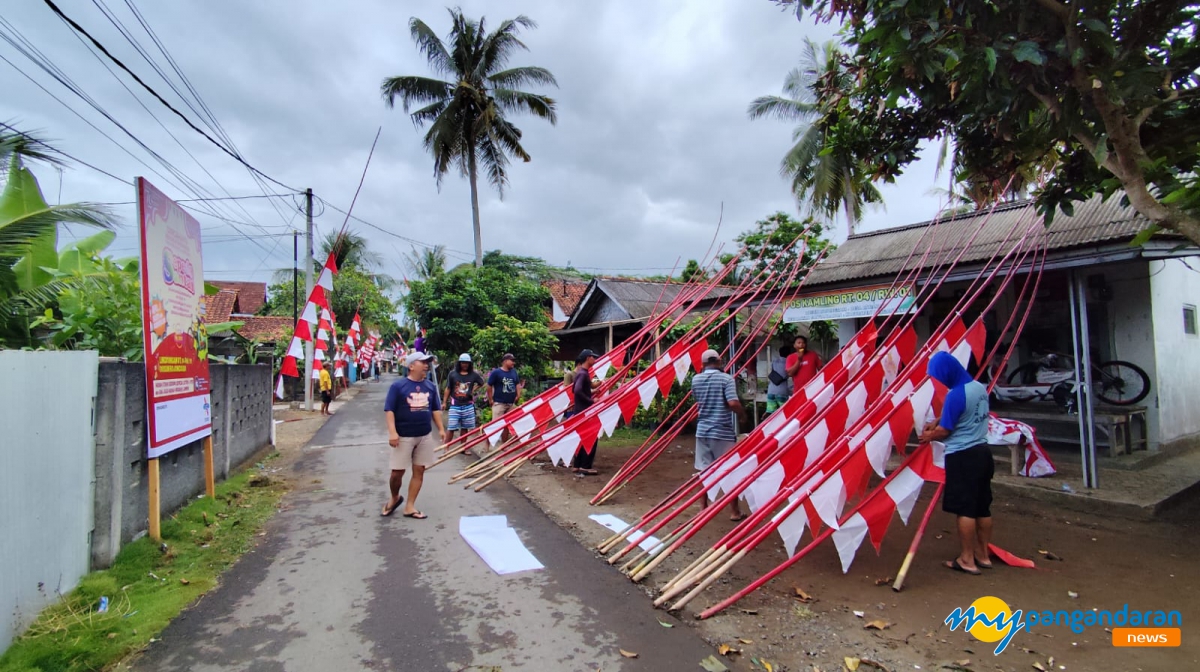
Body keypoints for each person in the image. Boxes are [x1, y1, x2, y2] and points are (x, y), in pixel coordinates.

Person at [918, 352, 993, 575]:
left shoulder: (955, 395)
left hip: (963, 456)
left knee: (966, 509)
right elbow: (959, 414)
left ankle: (967, 559)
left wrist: (928, 436)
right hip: (983, 453)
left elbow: (945, 431)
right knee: (983, 507)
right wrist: (939, 419)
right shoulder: (978, 387)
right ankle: (983, 555)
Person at [382, 351, 447, 519]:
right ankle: (395, 496)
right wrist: (392, 432)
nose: (426, 365)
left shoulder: (431, 386)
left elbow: (435, 409)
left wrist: (440, 429)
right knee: (397, 472)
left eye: (427, 362)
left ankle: (410, 506)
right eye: (422, 362)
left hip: (424, 435)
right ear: (411, 366)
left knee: (419, 470)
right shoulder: (398, 387)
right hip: (403, 436)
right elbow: (389, 410)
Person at [691, 349, 747, 520]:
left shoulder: (696, 379)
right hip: (722, 431)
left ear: (703, 364)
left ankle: (703, 508)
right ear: (720, 361)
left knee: (703, 470)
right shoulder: (726, 379)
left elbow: (698, 401)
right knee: (729, 470)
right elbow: (732, 402)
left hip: (702, 431)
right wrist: (742, 414)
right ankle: (734, 511)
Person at [568, 349, 603, 475]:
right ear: (588, 358)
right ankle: (586, 466)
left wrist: (591, 392)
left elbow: (575, 389)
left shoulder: (581, 373)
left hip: (580, 410)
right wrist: (591, 401)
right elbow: (577, 390)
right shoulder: (583, 374)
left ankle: (577, 465)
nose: (595, 359)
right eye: (593, 357)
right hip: (584, 411)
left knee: (581, 437)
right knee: (591, 437)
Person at [444, 353, 485, 441]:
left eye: (467, 363)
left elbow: (481, 382)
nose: (465, 364)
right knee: (451, 427)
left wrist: (473, 389)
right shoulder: (452, 374)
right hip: (455, 405)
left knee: (465, 428)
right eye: (463, 363)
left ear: (470, 364)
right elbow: (448, 388)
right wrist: (444, 402)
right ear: (459, 363)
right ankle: (446, 448)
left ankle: (463, 448)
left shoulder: (473, 374)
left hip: (468, 405)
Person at [487, 353, 524, 431]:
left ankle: (504, 442)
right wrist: (490, 399)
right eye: (512, 361)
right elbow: (489, 385)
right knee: (495, 426)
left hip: (511, 404)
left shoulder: (514, 372)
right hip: (499, 403)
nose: (513, 363)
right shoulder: (496, 372)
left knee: (508, 426)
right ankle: (488, 442)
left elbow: (517, 383)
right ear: (505, 361)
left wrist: (518, 394)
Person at [766, 344, 793, 413]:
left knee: (770, 412)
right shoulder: (789, 362)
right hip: (782, 391)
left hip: (771, 390)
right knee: (784, 412)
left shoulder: (774, 361)